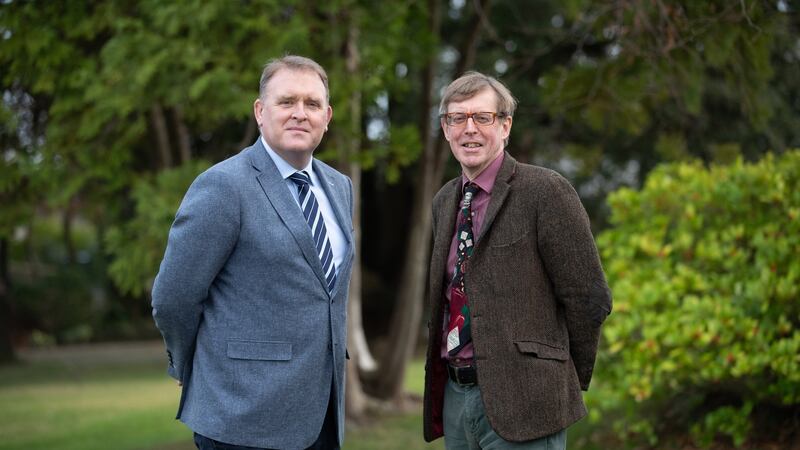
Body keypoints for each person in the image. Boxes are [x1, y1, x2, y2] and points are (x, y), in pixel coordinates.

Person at [151, 55, 354, 450]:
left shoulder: (340, 186)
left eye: (312, 104)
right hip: (241, 418)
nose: (300, 113)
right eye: (286, 102)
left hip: (323, 414)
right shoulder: (223, 186)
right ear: (260, 111)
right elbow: (173, 297)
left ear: (327, 116)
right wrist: (185, 361)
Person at [422, 71, 612, 450]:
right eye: (457, 118)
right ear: (446, 129)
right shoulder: (445, 200)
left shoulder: (546, 191)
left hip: (528, 403)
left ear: (505, 125)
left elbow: (589, 298)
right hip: (457, 399)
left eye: (482, 117)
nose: (469, 129)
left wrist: (554, 375)